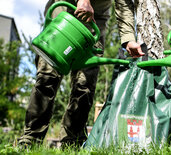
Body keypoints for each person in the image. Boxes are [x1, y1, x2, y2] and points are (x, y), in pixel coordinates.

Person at [18, 0, 143, 147]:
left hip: (95, 20)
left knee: (85, 84)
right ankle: (30, 140)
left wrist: (128, 39)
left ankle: (72, 142)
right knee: (47, 76)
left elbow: (123, 3)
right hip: (65, 9)